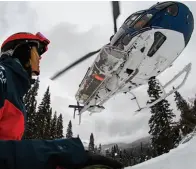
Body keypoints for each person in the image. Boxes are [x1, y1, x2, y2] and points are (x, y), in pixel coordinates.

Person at [0, 32, 124, 169]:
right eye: (38, 51)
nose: (40, 58)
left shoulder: (14, 91)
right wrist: (59, 154)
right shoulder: (3, 77)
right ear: (23, 50)